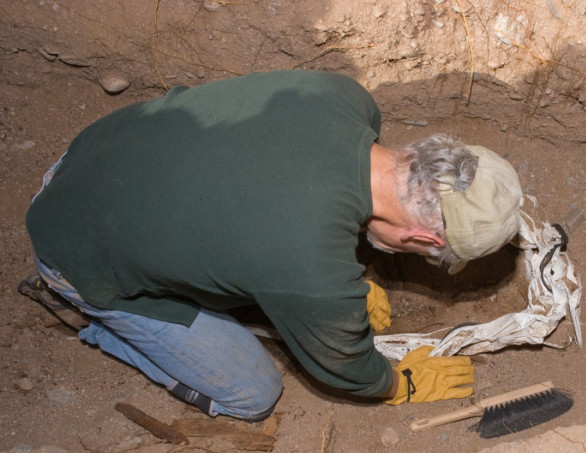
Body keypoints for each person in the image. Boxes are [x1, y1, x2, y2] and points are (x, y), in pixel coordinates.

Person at [21, 70, 523, 422]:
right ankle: (99, 324)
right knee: (253, 394)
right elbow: (346, 370)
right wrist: (394, 383)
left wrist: (327, 290)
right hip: (75, 252)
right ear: (418, 238)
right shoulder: (309, 270)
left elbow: (285, 192)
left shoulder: (344, 97)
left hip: (91, 154)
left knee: (246, 254)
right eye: (424, 255)